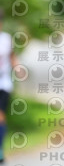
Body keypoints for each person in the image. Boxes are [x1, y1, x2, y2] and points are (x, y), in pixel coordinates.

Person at [0, 9, 20, 164]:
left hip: (4, 83)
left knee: (0, 115)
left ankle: (0, 148)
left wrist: (18, 68)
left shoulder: (6, 39)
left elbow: (12, 57)